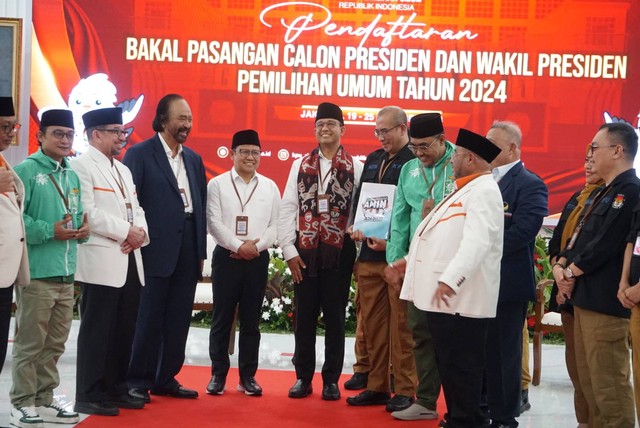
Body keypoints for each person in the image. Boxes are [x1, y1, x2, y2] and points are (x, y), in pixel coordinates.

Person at [387, 128, 503, 428]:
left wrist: (451, 279)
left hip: (462, 300)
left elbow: (477, 242)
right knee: (451, 368)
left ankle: (466, 421)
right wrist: (407, 261)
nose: (452, 161)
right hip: (448, 303)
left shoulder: (484, 191)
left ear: (472, 159)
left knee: (462, 370)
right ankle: (457, 418)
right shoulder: (466, 188)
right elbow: (442, 238)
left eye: (457, 156)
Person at [124, 94, 207, 402]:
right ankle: (136, 379)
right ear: (162, 120)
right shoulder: (140, 154)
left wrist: (200, 252)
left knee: (177, 317)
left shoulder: (194, 159)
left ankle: (165, 377)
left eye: (190, 119)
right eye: (181, 118)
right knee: (147, 316)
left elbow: (200, 204)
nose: (187, 124)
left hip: (187, 246)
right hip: (153, 247)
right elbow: (131, 204)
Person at [278, 102, 363, 401]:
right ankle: (302, 377)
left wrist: (356, 247)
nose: (325, 128)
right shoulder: (299, 165)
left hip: (339, 253)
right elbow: (289, 207)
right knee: (304, 317)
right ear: (314, 130)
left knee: (336, 319)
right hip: (305, 253)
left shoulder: (358, 168)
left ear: (342, 129)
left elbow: (359, 215)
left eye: (331, 123)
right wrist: (289, 250)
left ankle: (331, 380)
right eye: (320, 124)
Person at [10, 109, 89, 428]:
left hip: (66, 272)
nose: (65, 140)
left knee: (55, 343)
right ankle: (21, 402)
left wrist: (84, 230)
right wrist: (48, 230)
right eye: (57, 133)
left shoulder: (71, 174)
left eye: (69, 135)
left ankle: (44, 397)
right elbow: (13, 220)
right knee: (30, 342)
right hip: (38, 272)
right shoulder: (25, 171)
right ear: (40, 136)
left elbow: (79, 213)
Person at [556, 122, 638, 428]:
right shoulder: (605, 191)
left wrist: (573, 270)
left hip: (605, 301)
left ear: (617, 151)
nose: (590, 154)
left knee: (609, 388)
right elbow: (580, 237)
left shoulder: (629, 190)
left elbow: (608, 240)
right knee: (590, 386)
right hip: (584, 297)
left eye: (595, 147)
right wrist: (563, 267)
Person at [71, 107, 149, 416]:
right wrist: (126, 232)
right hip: (101, 260)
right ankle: (88, 393)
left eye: (123, 131)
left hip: (130, 258)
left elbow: (136, 207)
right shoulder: (80, 166)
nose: (122, 137)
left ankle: (116, 387)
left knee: (124, 328)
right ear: (96, 134)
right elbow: (86, 210)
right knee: (97, 331)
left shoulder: (124, 169)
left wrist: (140, 232)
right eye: (116, 131)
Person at [345, 106, 417, 412]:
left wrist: (391, 243)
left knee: (402, 327)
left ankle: (404, 389)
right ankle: (376, 385)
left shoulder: (415, 163)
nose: (380, 137)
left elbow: (414, 213)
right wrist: (355, 227)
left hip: (396, 258)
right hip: (368, 256)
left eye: (385, 131)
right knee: (371, 325)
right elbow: (362, 200)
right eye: (377, 132)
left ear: (403, 128)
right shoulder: (373, 159)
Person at [386, 112, 455, 421]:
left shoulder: (461, 165)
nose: (419, 154)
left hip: (452, 268)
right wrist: (395, 260)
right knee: (420, 334)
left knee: (453, 339)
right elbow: (399, 219)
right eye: (413, 147)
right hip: (417, 266)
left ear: (442, 140)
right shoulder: (410, 170)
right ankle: (426, 401)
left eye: (425, 146)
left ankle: (460, 407)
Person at [205, 129, 280, 396]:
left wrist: (254, 248)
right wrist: (238, 246)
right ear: (233, 153)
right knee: (222, 318)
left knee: (251, 321)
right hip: (226, 259)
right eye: (245, 151)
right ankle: (217, 375)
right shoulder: (217, 184)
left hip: (257, 260)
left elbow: (275, 226)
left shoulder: (270, 186)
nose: (250, 157)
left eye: (255, 152)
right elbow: (213, 223)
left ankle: (247, 376)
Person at [483, 120, 548, 428]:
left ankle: (505, 416)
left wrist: (479, 250)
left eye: (493, 144)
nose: (486, 150)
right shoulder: (480, 180)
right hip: (478, 284)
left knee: (505, 355)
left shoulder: (530, 183)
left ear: (511, 148)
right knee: (480, 351)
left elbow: (523, 232)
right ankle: (481, 408)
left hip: (507, 284)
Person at [547, 151, 603, 428]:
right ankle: (583, 420)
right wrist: (559, 272)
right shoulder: (577, 198)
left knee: (598, 370)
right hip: (566, 290)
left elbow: (599, 249)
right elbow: (557, 242)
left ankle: (597, 420)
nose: (588, 165)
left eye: (594, 159)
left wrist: (568, 276)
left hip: (590, 292)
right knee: (576, 363)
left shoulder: (615, 198)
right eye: (585, 160)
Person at [0, 96, 29, 376]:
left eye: (13, 127)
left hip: (5, 272)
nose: (10, 134)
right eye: (4, 127)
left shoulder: (4, 161)